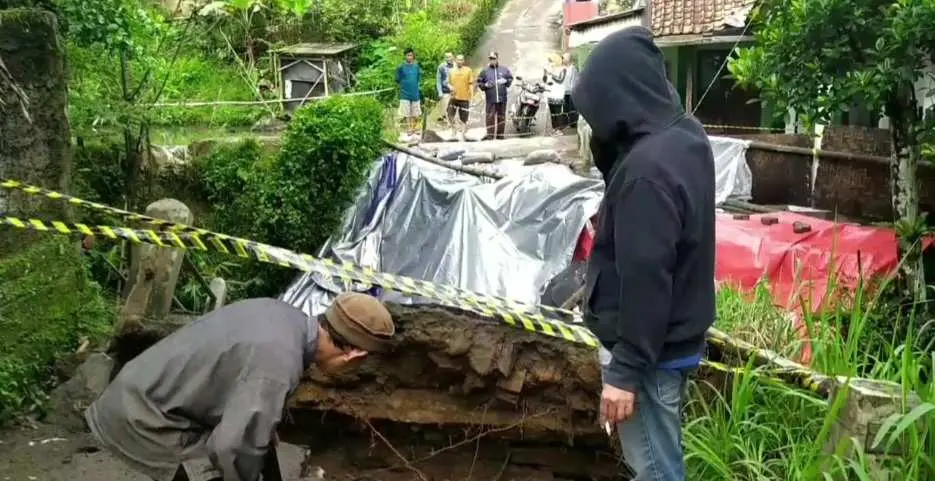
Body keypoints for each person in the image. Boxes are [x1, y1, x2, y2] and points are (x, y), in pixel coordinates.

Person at [571, 27, 715, 481]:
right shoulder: (684, 136)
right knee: (661, 458)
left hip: (648, 357)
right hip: (673, 340)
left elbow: (647, 282)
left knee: (654, 469)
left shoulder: (644, 175)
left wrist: (624, 374)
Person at [84, 294, 396, 481]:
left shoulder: (281, 315)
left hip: (141, 388)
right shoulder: (278, 363)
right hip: (145, 418)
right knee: (223, 465)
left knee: (255, 445)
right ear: (355, 353)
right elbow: (231, 448)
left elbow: (252, 422)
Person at [476, 51, 513, 140]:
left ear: (497, 59)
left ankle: (500, 136)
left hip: (502, 99)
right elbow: (479, 82)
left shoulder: (504, 69)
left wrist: (506, 81)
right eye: (490, 59)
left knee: (501, 117)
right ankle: (490, 136)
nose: (492, 60)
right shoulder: (485, 71)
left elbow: (510, 78)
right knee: (490, 118)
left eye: (493, 58)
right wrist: (485, 85)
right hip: (490, 99)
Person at [396, 48, 423, 136]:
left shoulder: (416, 66)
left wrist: (418, 86)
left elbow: (419, 78)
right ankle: (409, 129)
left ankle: (415, 128)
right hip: (404, 93)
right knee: (406, 112)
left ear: (413, 56)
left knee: (415, 112)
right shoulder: (400, 67)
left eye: (411, 55)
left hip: (415, 93)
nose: (409, 57)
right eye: (408, 55)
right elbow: (397, 79)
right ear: (405, 56)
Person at [447, 54, 474, 141]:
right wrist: (450, 87)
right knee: (450, 114)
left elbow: (471, 84)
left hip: (464, 97)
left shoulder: (468, 70)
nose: (460, 61)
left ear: (463, 61)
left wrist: (472, 95)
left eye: (461, 60)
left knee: (464, 117)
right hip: (453, 97)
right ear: (456, 60)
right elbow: (448, 83)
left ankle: (463, 134)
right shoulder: (451, 71)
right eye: (458, 60)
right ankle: (454, 131)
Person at [543, 53, 567, 134]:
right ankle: (554, 128)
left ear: (556, 61)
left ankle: (559, 130)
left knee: (557, 112)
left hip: (558, 94)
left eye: (551, 61)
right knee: (552, 112)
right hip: (550, 93)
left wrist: (551, 74)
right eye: (549, 61)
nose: (549, 62)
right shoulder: (550, 69)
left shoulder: (563, 69)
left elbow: (560, 80)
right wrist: (545, 74)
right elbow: (545, 80)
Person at [436, 52, 455, 125]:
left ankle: (451, 122)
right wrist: (440, 92)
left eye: (450, 57)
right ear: (444, 58)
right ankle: (446, 121)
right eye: (447, 57)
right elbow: (438, 80)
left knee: (453, 108)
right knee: (445, 107)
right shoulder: (441, 67)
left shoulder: (456, 66)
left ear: (453, 57)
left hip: (455, 91)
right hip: (445, 91)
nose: (448, 58)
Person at [561, 52, 579, 128]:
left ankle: (572, 124)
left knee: (571, 108)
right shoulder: (565, 69)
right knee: (565, 108)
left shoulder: (573, 69)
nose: (562, 60)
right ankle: (566, 123)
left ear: (568, 59)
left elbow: (574, 81)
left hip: (571, 92)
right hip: (565, 91)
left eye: (563, 58)